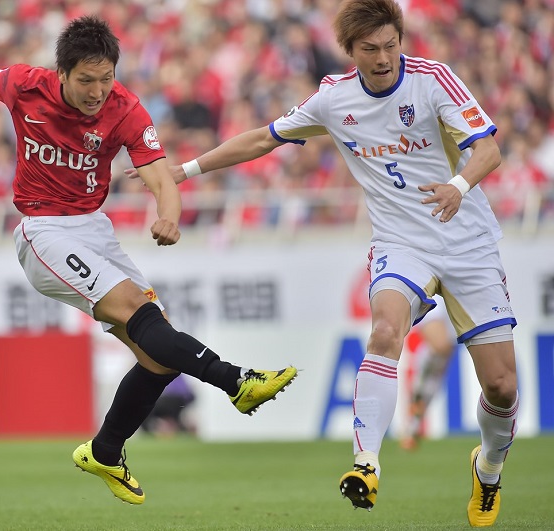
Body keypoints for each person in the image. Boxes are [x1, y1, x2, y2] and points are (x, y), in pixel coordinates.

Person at [0, 15, 297, 506]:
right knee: (138, 311)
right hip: (43, 230)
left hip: (94, 229)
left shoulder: (125, 109)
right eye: (86, 80)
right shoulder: (26, 85)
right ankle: (237, 381)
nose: (97, 91)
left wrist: (168, 216)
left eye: (105, 78)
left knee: (158, 354)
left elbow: (160, 176)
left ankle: (105, 451)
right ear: (62, 74)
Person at [148, 0, 519, 525]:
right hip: (400, 243)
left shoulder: (433, 80)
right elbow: (262, 138)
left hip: (468, 242)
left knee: (501, 386)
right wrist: (183, 172)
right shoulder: (333, 98)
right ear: (350, 50)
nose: (384, 57)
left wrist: (458, 186)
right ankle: (366, 465)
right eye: (371, 49)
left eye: (391, 45)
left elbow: (488, 151)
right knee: (385, 332)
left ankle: (489, 466)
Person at [401, 301, 458, 451]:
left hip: (456, 297)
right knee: (440, 345)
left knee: (442, 359)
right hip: (434, 294)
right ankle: (417, 392)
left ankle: (413, 425)